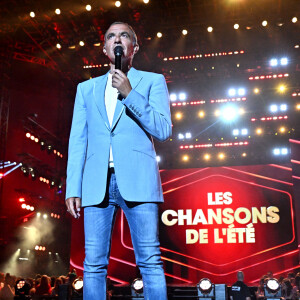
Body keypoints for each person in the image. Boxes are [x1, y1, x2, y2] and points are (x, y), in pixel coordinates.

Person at [65, 21, 172, 300]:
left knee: (149, 261)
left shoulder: (151, 81)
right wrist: (73, 188)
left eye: (124, 35)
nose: (117, 39)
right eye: (111, 35)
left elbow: (163, 130)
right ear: (104, 49)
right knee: (93, 265)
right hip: (96, 183)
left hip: (139, 180)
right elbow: (78, 141)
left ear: (134, 48)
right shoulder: (85, 89)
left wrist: (129, 93)